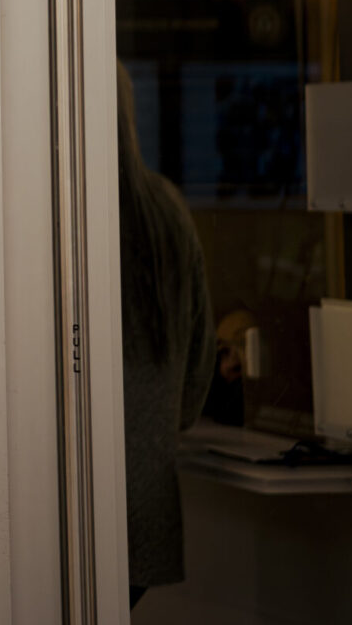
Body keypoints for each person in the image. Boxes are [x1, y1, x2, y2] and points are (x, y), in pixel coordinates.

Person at [118, 64, 214, 607]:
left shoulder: (61, 214)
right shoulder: (168, 213)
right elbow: (193, 385)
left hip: (70, 505)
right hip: (146, 509)